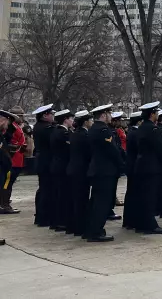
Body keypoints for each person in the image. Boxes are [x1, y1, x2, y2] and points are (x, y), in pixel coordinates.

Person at [85, 104, 125, 242]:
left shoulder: (93, 129)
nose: (111, 116)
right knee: (102, 203)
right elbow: (112, 151)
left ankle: (91, 230)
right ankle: (96, 232)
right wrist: (122, 165)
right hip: (105, 171)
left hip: (97, 170)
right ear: (103, 115)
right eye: (109, 114)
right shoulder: (103, 130)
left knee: (95, 201)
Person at [134, 102, 162, 235]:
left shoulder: (141, 128)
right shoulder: (153, 129)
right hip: (151, 167)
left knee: (143, 196)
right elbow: (159, 148)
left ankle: (141, 224)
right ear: (152, 114)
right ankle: (150, 225)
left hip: (141, 165)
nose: (158, 115)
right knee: (150, 196)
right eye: (156, 113)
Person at [66, 110, 92, 237]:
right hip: (81, 171)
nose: (92, 122)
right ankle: (80, 227)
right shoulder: (84, 135)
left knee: (75, 199)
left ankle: (73, 226)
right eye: (90, 120)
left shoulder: (75, 134)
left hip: (73, 169)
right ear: (85, 122)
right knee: (81, 200)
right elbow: (88, 153)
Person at [50, 109, 75, 232]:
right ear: (65, 120)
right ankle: (61, 221)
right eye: (71, 119)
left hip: (58, 165)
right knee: (63, 194)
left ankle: (58, 221)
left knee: (60, 193)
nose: (72, 121)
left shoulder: (57, 131)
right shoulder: (62, 133)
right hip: (62, 166)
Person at [32, 103, 55, 227]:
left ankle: (40, 216)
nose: (53, 116)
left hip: (41, 160)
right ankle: (44, 217)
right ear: (45, 115)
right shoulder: (46, 128)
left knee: (43, 189)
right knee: (47, 189)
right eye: (51, 114)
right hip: (46, 161)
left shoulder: (38, 126)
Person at [5, 106, 31, 212]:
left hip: (18, 156)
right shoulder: (11, 126)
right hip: (13, 157)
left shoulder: (17, 126)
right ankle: (5, 204)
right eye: (20, 116)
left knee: (10, 182)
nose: (22, 118)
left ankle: (6, 202)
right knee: (8, 182)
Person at [1, 109, 24, 214]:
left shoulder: (12, 128)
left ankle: (5, 204)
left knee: (7, 184)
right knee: (6, 184)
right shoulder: (10, 129)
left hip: (12, 160)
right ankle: (4, 205)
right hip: (8, 161)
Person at [122, 111, 143, 230]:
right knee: (135, 193)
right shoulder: (136, 133)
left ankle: (128, 220)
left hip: (131, 166)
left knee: (130, 193)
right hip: (135, 166)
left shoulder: (131, 132)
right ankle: (133, 220)